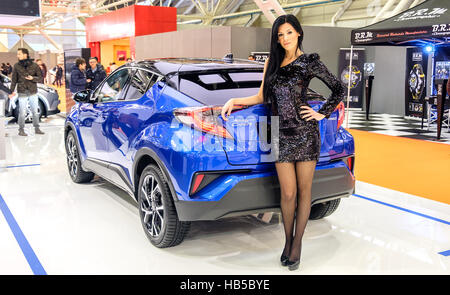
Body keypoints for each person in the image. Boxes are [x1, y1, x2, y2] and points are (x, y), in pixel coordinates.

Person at [221, 14, 345, 271]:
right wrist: (236, 101)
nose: (284, 38)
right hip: (279, 134)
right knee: (287, 194)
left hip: (305, 133)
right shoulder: (272, 62)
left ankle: (296, 245)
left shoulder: (310, 61)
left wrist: (322, 113)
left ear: (298, 32)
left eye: (288, 32)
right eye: (280, 35)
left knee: (304, 192)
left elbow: (338, 88)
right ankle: (287, 240)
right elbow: (261, 96)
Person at [9, 48, 45, 136]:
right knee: (22, 111)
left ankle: (37, 128)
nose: (17, 56)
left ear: (25, 54)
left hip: (33, 91)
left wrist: (33, 78)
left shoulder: (34, 65)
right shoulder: (16, 66)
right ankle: (21, 130)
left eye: (19, 54)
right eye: (17, 54)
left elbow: (40, 77)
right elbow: (14, 80)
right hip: (22, 91)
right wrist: (11, 91)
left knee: (34, 111)